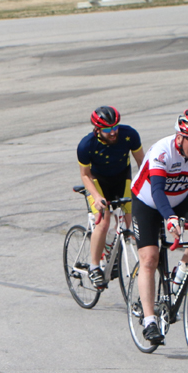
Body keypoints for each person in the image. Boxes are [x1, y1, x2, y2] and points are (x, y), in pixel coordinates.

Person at [130, 110, 188, 345]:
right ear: (180, 137)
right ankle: (149, 321)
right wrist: (169, 218)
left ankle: (182, 269)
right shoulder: (162, 150)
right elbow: (157, 191)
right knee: (150, 258)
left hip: (179, 198)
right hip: (147, 202)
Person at [77, 106, 144, 287]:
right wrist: (97, 197)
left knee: (129, 218)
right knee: (104, 221)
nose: (113, 132)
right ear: (97, 130)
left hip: (122, 178)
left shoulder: (129, 135)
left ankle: (113, 249)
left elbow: (142, 163)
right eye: (108, 129)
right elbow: (85, 174)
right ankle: (94, 266)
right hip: (98, 181)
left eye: (115, 127)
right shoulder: (86, 145)